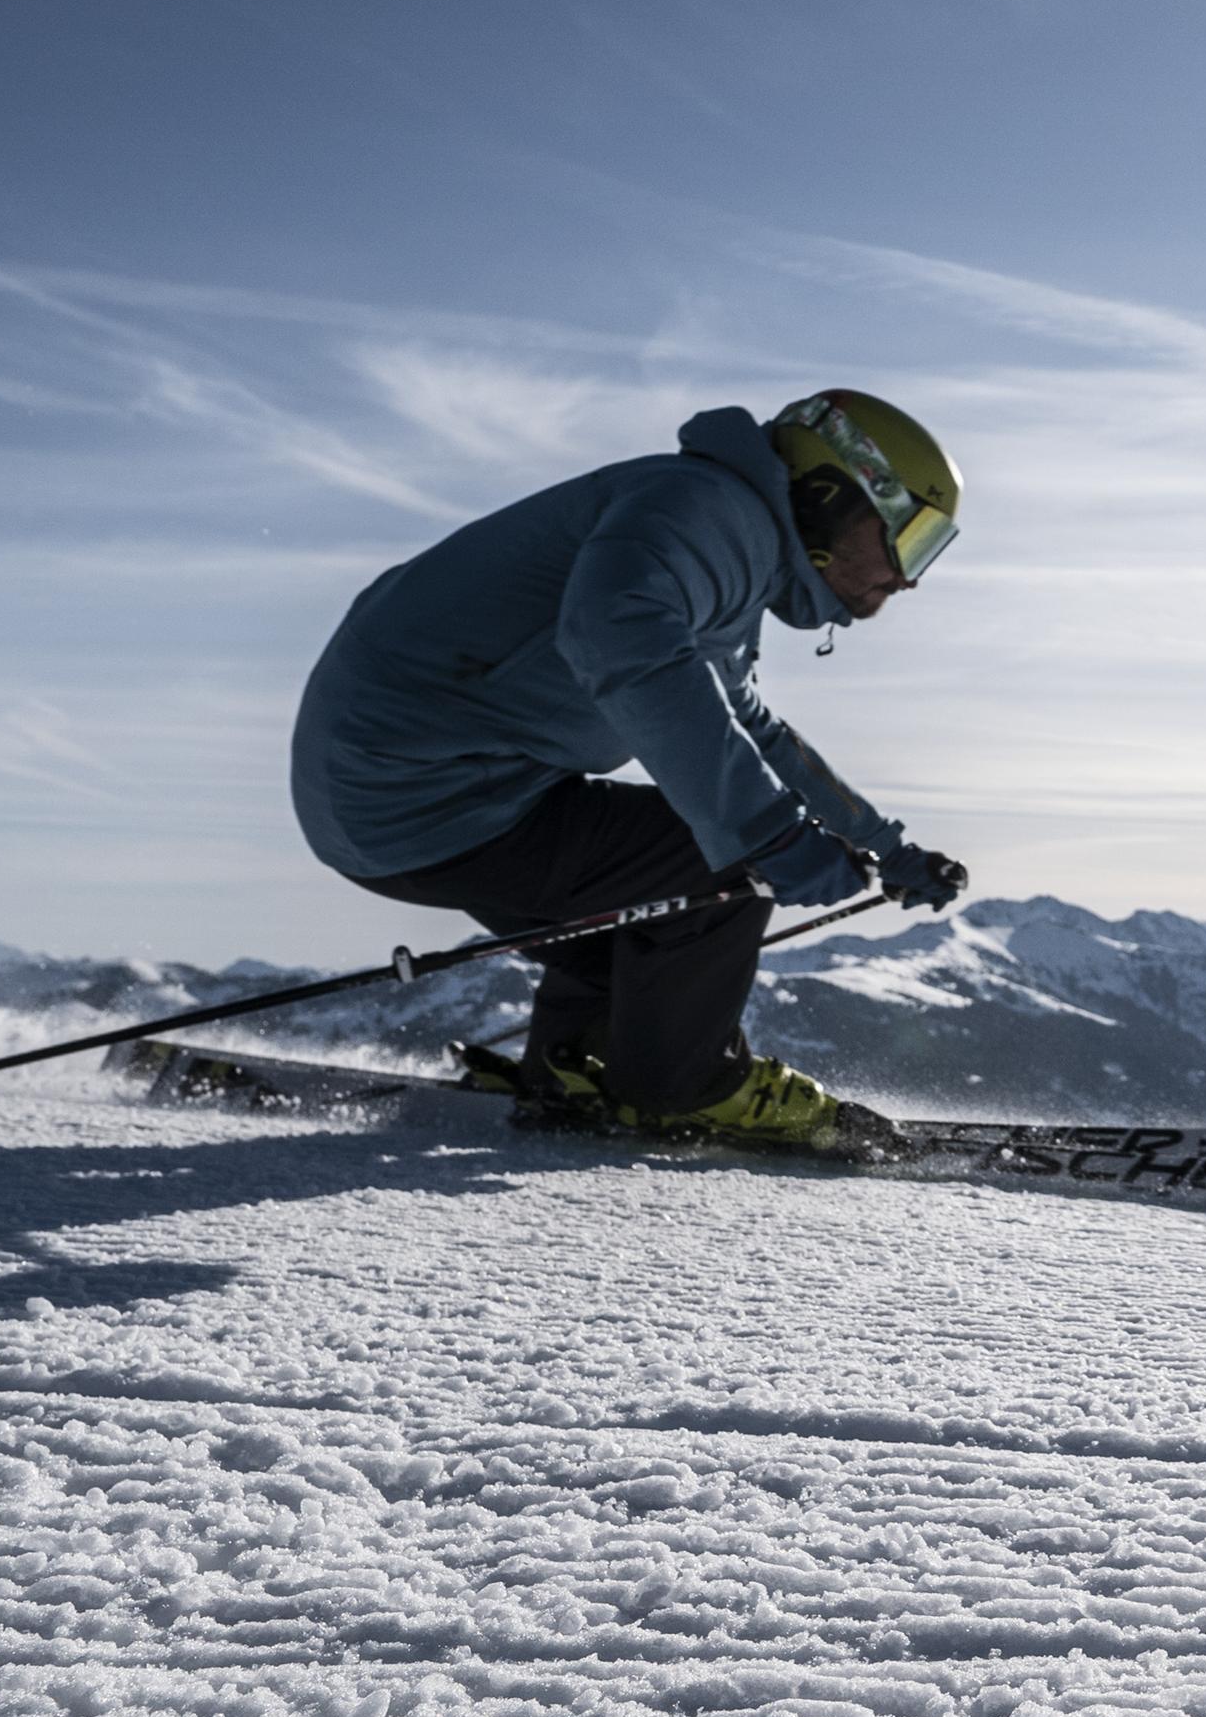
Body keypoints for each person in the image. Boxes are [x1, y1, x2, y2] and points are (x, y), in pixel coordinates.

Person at [288, 389, 966, 1148]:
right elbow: (620, 635)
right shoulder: (704, 512)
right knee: (714, 868)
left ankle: (575, 1068)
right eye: (908, 534)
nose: (909, 577)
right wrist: (767, 837)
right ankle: (680, 1089)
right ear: (828, 493)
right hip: (421, 793)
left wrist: (886, 845)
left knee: (648, 928)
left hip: (407, 795)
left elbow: (751, 725)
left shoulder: (721, 542)